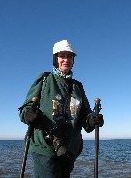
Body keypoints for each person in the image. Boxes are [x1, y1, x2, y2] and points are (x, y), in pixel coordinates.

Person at [19, 40, 104, 178]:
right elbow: (25, 110)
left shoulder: (78, 86)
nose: (66, 60)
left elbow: (84, 116)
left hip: (69, 150)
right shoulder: (44, 79)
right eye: (62, 56)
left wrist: (92, 119)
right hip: (44, 148)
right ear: (55, 59)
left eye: (69, 56)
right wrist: (28, 113)